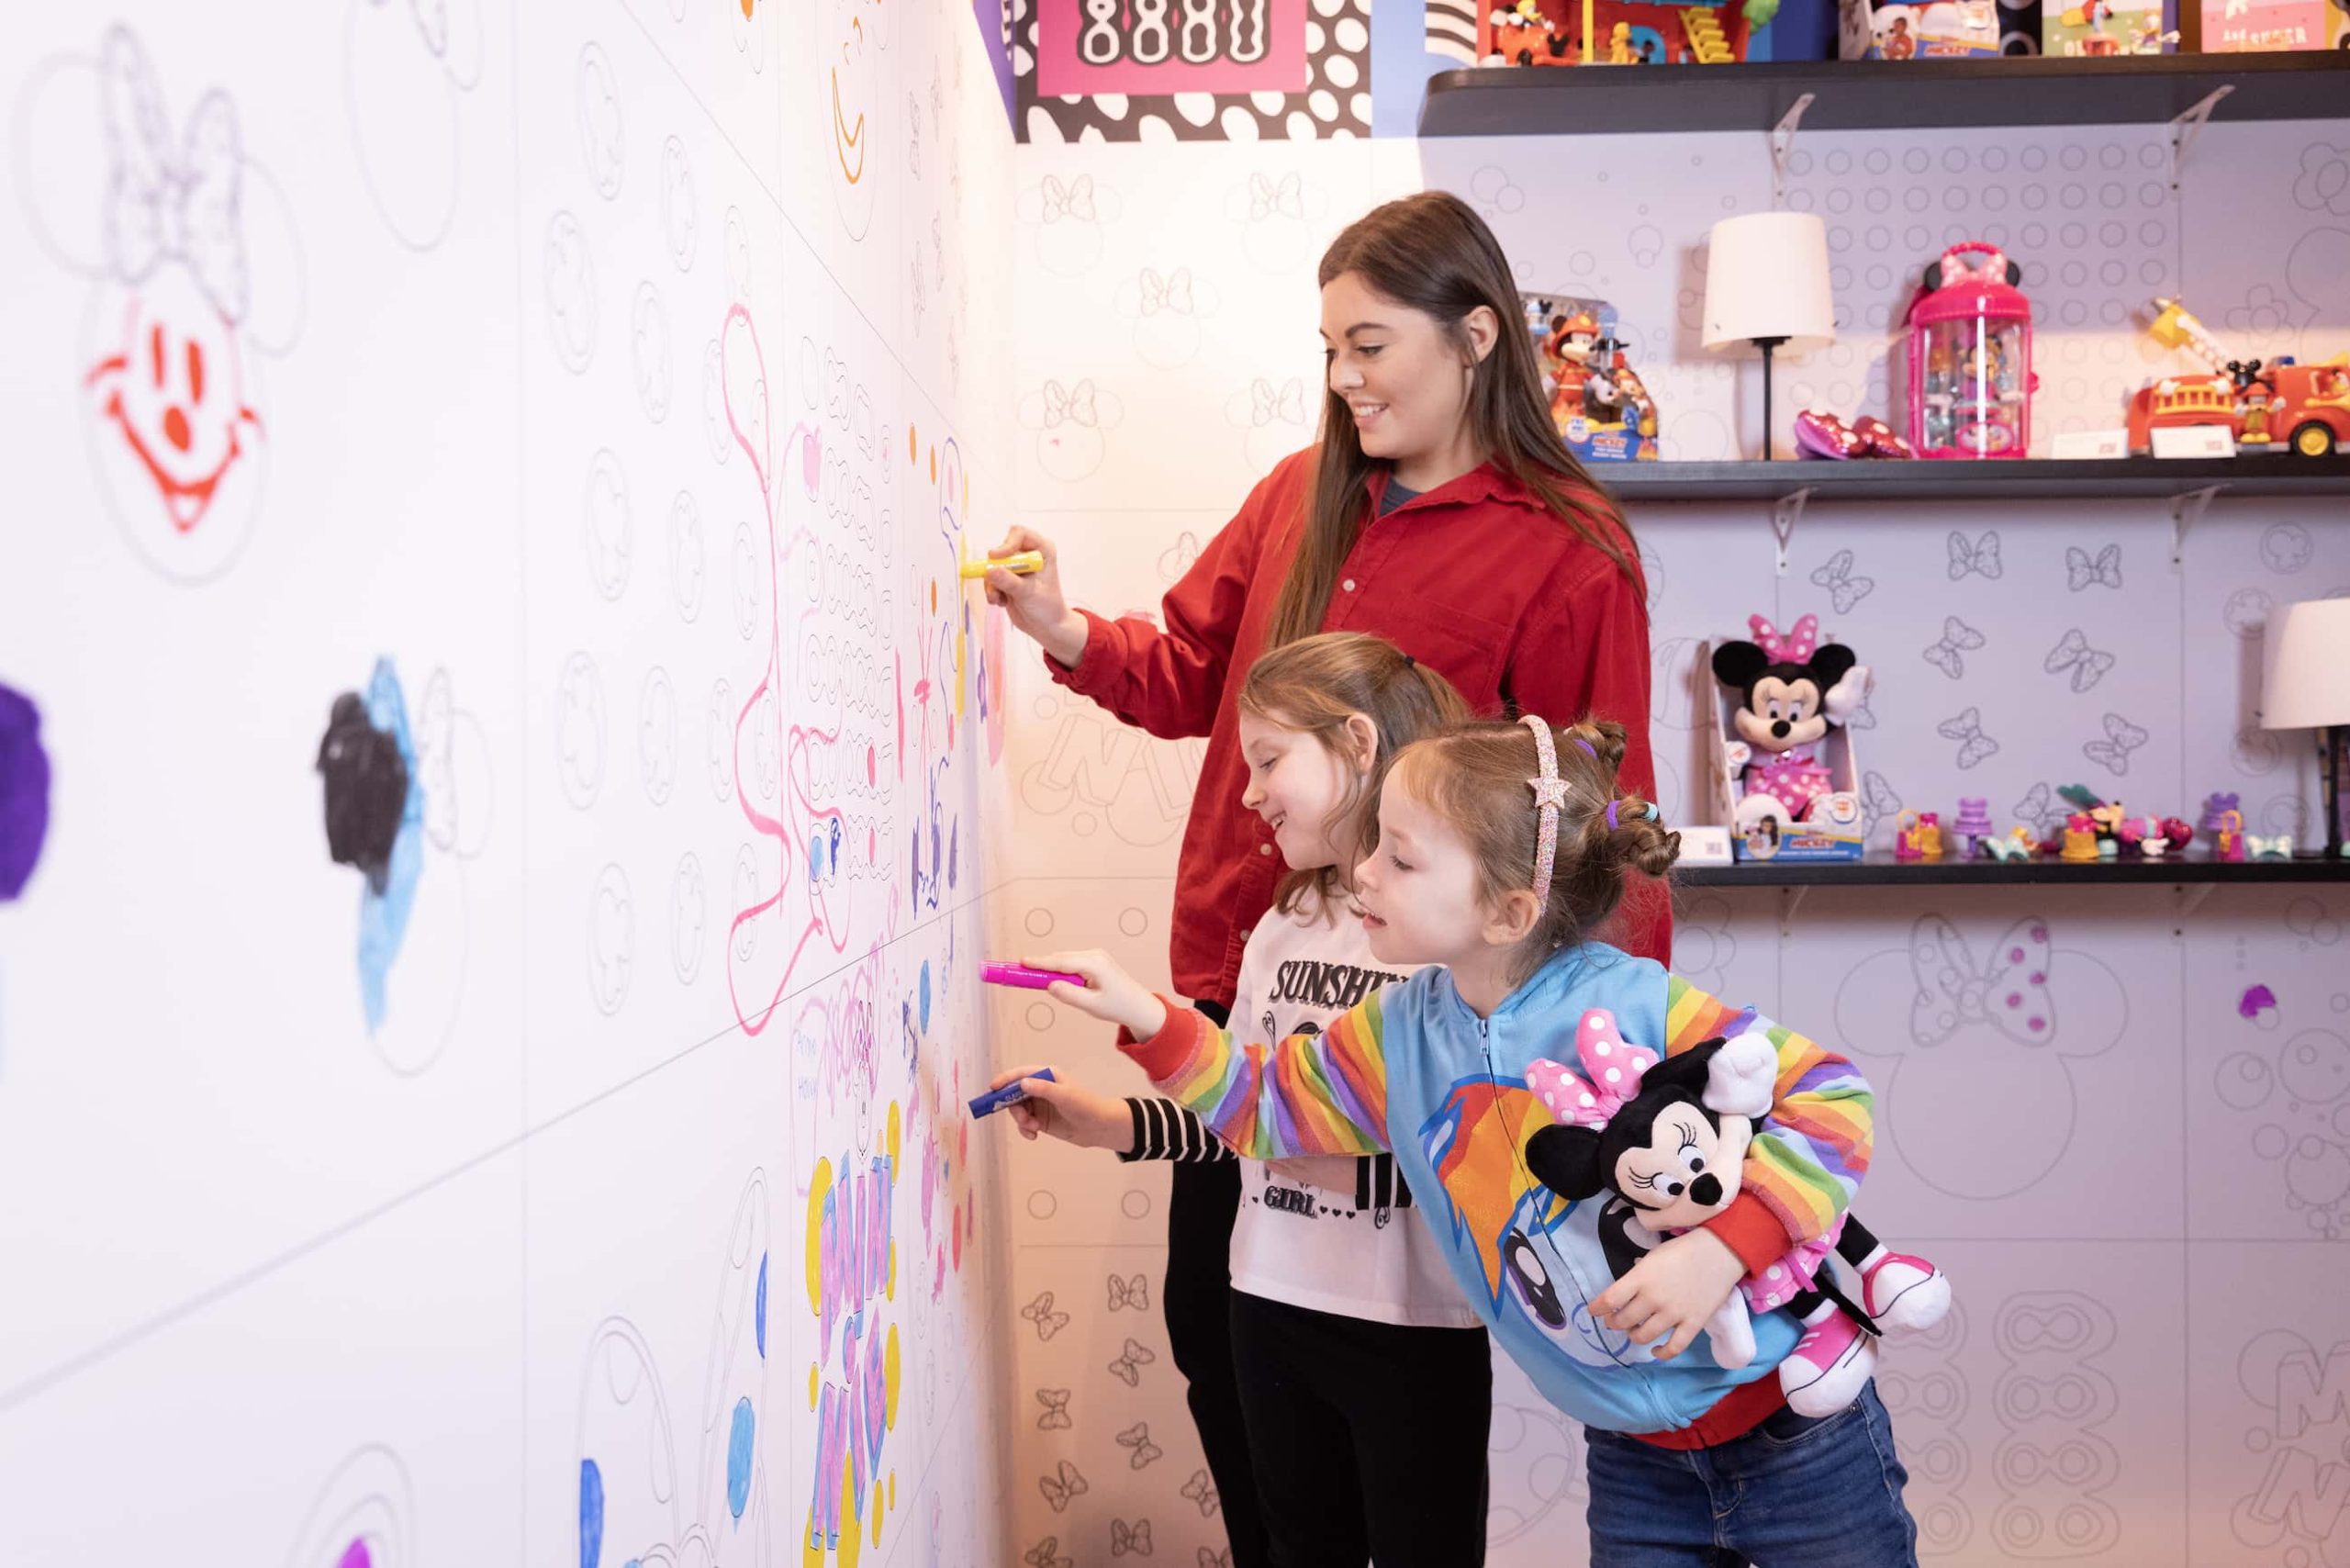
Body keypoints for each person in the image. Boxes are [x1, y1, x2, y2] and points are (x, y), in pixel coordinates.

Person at [982, 190, 1665, 1566]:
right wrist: (1058, 625)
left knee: (1395, 1391)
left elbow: (1603, 830)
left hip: (1415, 1038)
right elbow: (1188, 672)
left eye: (1371, 345)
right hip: (1235, 1001)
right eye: (1329, 350)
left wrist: (1615, 1068)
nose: (1343, 379)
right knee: (1223, 1349)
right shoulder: (1298, 499)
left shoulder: (1569, 549)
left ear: (1476, 335)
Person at [1023, 716, 1920, 1568]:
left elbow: (1830, 1098)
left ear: (1509, 909)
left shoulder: (1635, 1002)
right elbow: (1268, 1107)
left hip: (1799, 1430)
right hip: (1633, 1461)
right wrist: (1147, 1016)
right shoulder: (1396, 1033)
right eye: (1373, 844)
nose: (1362, 875)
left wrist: (1723, 1252)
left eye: (1399, 858)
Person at [991, 633, 1492, 1566]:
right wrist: (1110, 1124)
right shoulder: (1280, 924)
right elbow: (1245, 1113)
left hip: (1411, 1327)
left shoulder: (1440, 938)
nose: (1248, 791)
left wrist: (1151, 1018)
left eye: (1268, 760)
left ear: (1353, 743)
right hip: (1265, 1304)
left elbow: (1333, 1111)